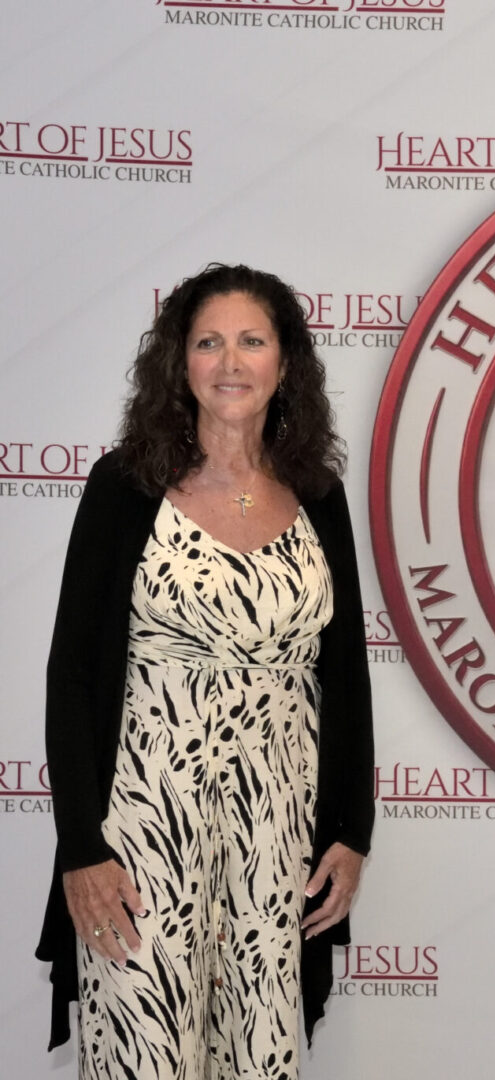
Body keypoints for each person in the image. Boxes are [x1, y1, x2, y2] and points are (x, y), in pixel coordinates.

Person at [35, 264, 375, 1077]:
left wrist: (352, 829)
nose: (230, 362)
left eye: (251, 341)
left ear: (284, 364)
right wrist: (81, 848)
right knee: (143, 1055)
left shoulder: (318, 494)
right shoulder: (124, 487)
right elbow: (72, 675)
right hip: (142, 835)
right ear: (178, 362)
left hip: (277, 838)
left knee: (258, 1057)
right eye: (208, 342)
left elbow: (345, 675)